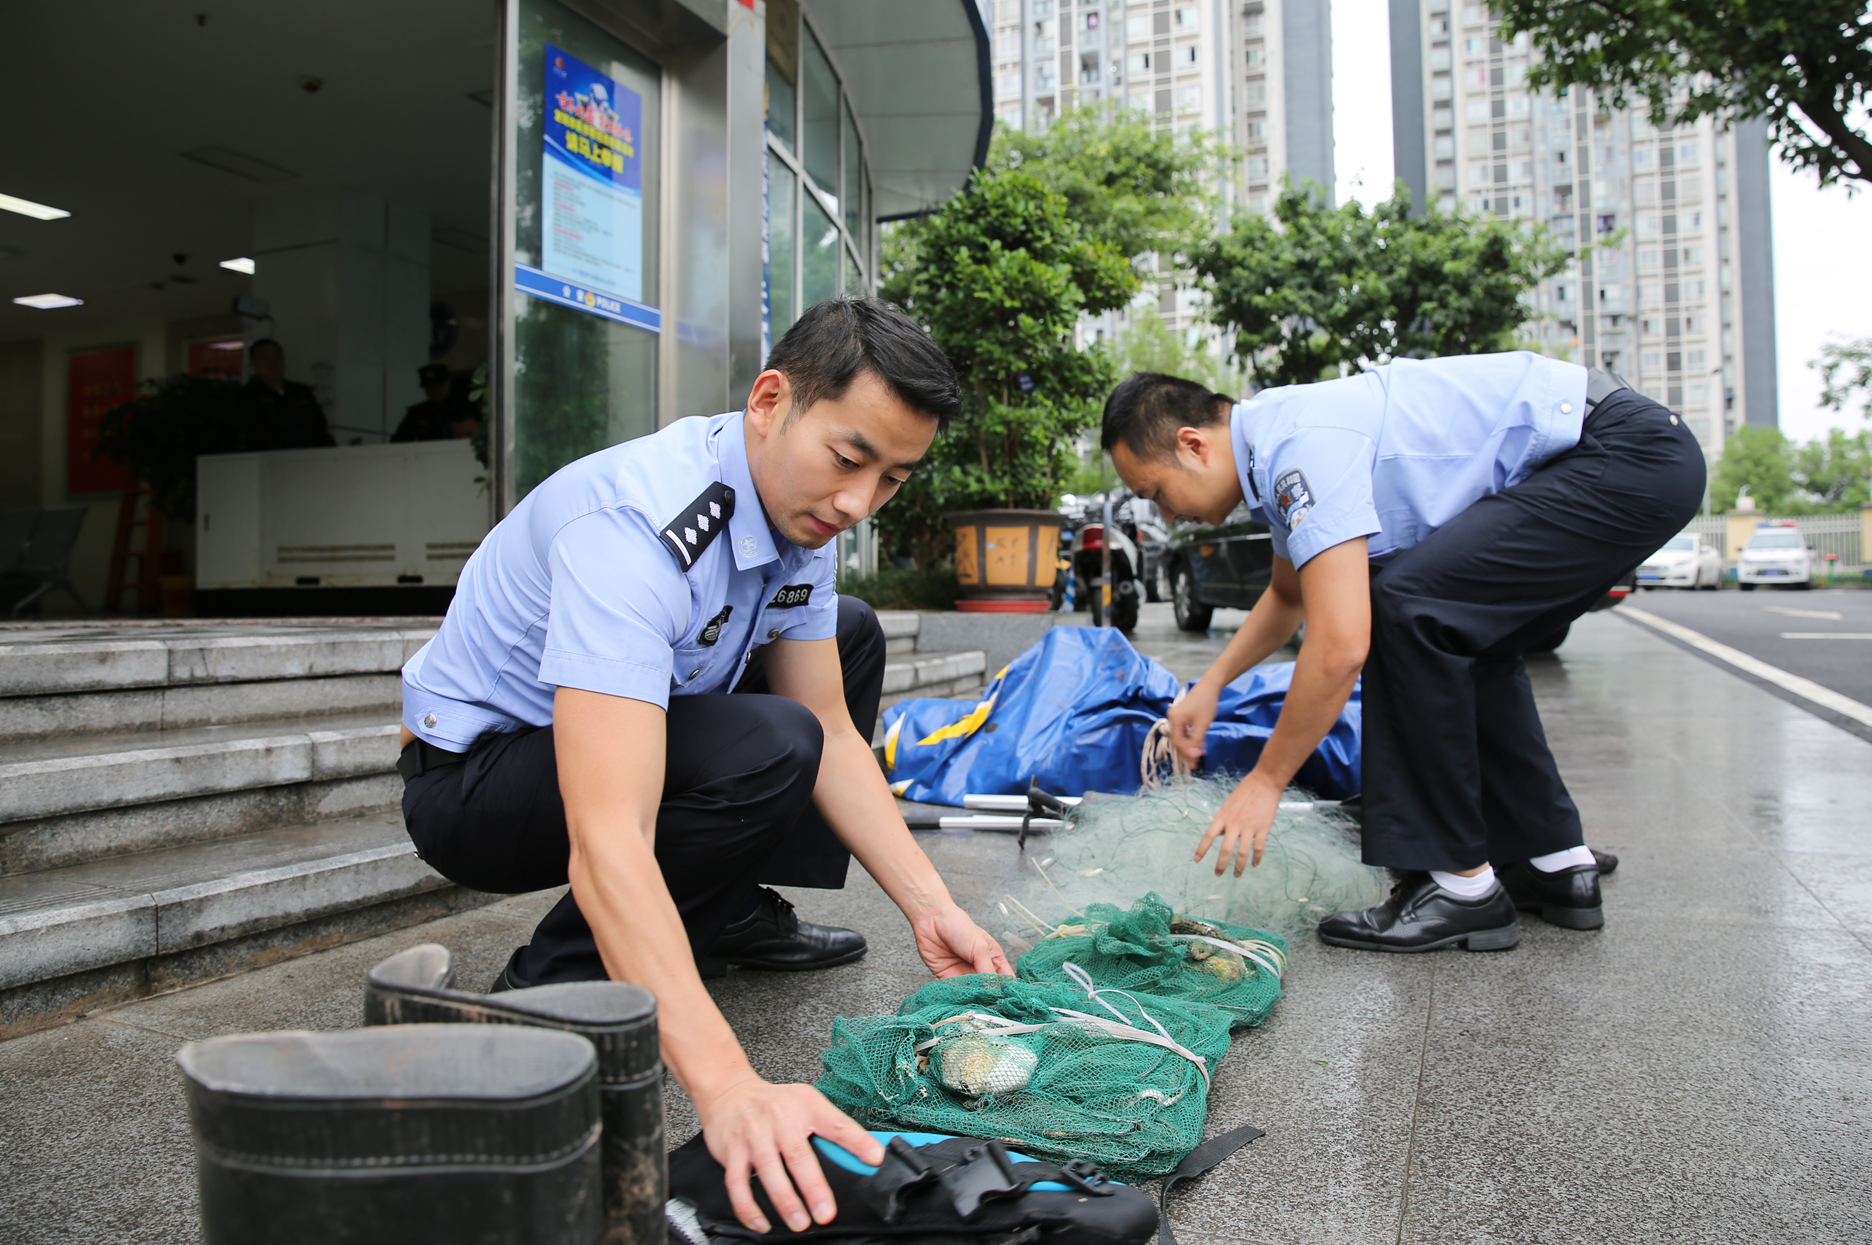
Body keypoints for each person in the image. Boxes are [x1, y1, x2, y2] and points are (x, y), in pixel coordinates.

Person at [397, 295, 1009, 1233]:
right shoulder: (637, 528)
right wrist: (729, 1087)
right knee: (773, 744)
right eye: (849, 459)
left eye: (892, 479)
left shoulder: (796, 514)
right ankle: (554, 984)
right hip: (472, 780)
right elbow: (608, 837)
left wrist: (936, 910)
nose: (859, 503)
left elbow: (834, 728)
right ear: (770, 400)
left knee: (842, 645)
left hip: (588, 747)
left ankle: (716, 914)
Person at [1098, 356, 1704, 953]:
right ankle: (1550, 860)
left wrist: (1267, 780)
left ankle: (1460, 885)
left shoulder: (1299, 446)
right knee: (1464, 636)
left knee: (1404, 608)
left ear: (1193, 444)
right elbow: (1287, 596)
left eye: (1156, 492)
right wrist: (1211, 684)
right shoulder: (1275, 446)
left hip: (1623, 456)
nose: (1168, 515)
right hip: (1631, 457)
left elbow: (1339, 646)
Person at [240, 338, 336, 450]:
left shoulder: (301, 392)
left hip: (310, 459)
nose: (273, 361)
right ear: (252, 363)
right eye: (264, 356)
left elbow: (319, 430)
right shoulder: (247, 396)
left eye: (277, 355)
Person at [390, 361, 476, 442]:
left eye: (438, 386)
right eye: (430, 387)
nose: (434, 391)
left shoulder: (465, 407)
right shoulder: (416, 414)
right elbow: (399, 441)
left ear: (448, 383)